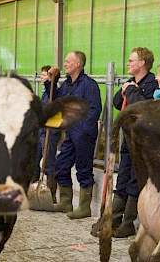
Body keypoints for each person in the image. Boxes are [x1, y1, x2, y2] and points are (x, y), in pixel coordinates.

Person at [109, 47, 159, 238]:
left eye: (132, 60)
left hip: (142, 141)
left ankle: (128, 222)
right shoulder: (131, 82)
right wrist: (126, 89)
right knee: (122, 176)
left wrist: (131, 92)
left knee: (134, 179)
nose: (128, 63)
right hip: (127, 137)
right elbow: (116, 102)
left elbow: (143, 109)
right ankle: (113, 218)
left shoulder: (152, 85)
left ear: (142, 63)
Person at [45, 51, 102, 219]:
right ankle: (65, 202)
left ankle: (85, 208)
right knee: (61, 166)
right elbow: (55, 100)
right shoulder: (67, 85)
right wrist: (51, 82)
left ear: (78, 64)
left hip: (83, 133)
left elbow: (94, 109)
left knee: (83, 169)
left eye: (68, 61)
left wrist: (83, 129)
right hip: (70, 132)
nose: (65, 63)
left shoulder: (89, 85)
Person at [34, 65, 60, 203]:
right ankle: (33, 188)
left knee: (49, 162)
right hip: (41, 130)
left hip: (50, 131)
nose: (41, 78)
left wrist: (51, 79)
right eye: (42, 75)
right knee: (35, 159)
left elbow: (53, 91)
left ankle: (51, 193)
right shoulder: (45, 93)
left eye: (44, 75)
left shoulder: (53, 91)